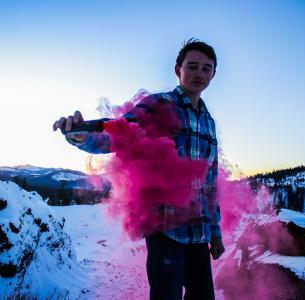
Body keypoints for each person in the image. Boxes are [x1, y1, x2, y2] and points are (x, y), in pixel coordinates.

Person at [53, 38, 224, 300]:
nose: (199, 73)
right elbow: (120, 131)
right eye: (192, 66)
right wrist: (82, 134)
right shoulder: (159, 104)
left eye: (206, 68)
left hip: (200, 235)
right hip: (166, 230)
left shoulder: (209, 122)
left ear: (214, 73)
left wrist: (216, 233)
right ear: (177, 69)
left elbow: (210, 184)